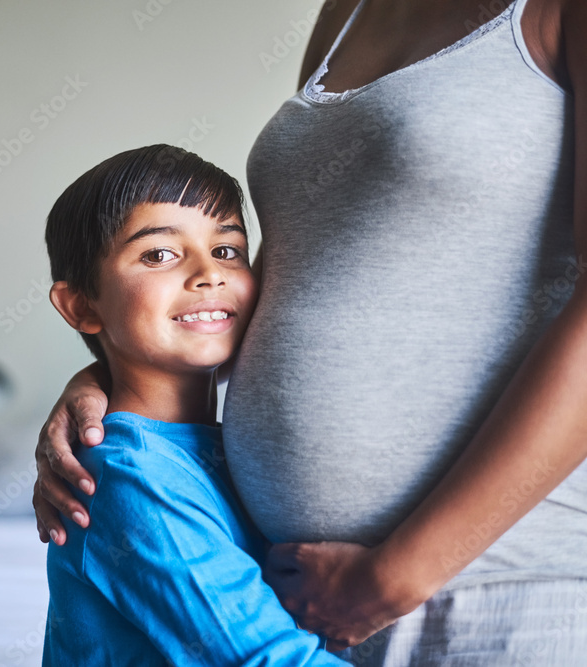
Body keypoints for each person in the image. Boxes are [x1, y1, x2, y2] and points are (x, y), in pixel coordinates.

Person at [34, 0, 587, 663]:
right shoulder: (347, 12)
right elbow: (299, 266)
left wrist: (398, 573)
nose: (207, 270)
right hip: (306, 601)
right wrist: (106, 377)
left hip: (495, 588)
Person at [39, 144, 347, 666]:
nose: (210, 273)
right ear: (82, 305)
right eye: (159, 254)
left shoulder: (229, 447)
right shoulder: (128, 474)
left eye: (227, 250)